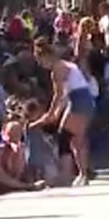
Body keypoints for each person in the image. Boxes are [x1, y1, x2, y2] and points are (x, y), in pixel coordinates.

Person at [30, 39, 95, 187]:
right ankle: (82, 173)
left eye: (39, 60)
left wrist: (51, 113)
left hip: (79, 101)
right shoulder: (68, 64)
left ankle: (68, 174)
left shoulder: (57, 70)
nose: (40, 64)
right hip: (81, 100)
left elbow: (58, 94)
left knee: (66, 137)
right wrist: (57, 112)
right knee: (77, 139)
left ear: (45, 57)